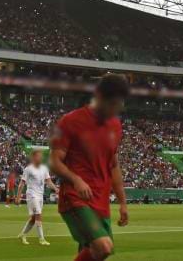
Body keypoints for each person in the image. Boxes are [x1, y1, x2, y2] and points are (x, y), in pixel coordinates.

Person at [50, 74, 131, 261]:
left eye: (119, 104)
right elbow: (54, 162)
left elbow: (113, 165)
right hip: (76, 198)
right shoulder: (70, 121)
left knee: (93, 254)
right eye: (112, 104)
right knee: (103, 247)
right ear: (99, 96)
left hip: (101, 199)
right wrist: (76, 180)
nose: (115, 109)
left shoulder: (115, 125)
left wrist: (123, 203)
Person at [19, 149, 58, 245]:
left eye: (41, 156)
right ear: (33, 157)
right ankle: (41, 239)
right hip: (32, 195)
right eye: (38, 156)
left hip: (40, 195)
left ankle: (23, 234)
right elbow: (22, 183)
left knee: (33, 218)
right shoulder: (28, 169)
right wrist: (18, 196)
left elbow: (48, 181)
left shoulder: (44, 168)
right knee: (38, 215)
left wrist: (56, 189)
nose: (40, 157)